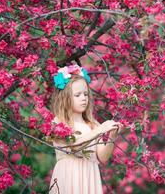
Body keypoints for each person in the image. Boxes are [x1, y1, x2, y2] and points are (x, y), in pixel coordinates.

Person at [48, 64, 123, 194]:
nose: (83, 98)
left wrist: (112, 136)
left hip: (89, 174)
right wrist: (99, 130)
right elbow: (74, 146)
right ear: (65, 98)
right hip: (69, 175)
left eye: (85, 94)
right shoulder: (59, 122)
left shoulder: (92, 124)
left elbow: (102, 157)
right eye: (77, 95)